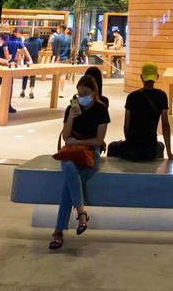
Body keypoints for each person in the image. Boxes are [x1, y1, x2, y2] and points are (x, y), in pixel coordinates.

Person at [50, 73, 110, 251]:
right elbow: (66, 136)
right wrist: (71, 117)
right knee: (69, 168)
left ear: (93, 92)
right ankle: (81, 213)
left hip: (91, 153)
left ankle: (58, 232)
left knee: (68, 185)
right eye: (79, 93)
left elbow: (98, 141)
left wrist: (78, 142)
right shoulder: (73, 107)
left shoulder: (101, 109)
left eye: (85, 93)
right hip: (70, 153)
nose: (81, 97)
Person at [109, 63, 173, 161]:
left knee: (111, 146)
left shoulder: (132, 96)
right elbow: (165, 125)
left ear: (141, 77)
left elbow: (126, 126)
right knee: (160, 146)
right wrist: (170, 153)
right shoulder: (162, 96)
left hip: (131, 149)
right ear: (156, 77)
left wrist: (129, 144)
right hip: (151, 150)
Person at [24, 28, 45, 96]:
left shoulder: (26, 40)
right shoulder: (39, 41)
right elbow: (39, 49)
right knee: (33, 75)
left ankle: (23, 90)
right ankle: (31, 91)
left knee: (25, 74)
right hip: (34, 59)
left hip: (26, 58)